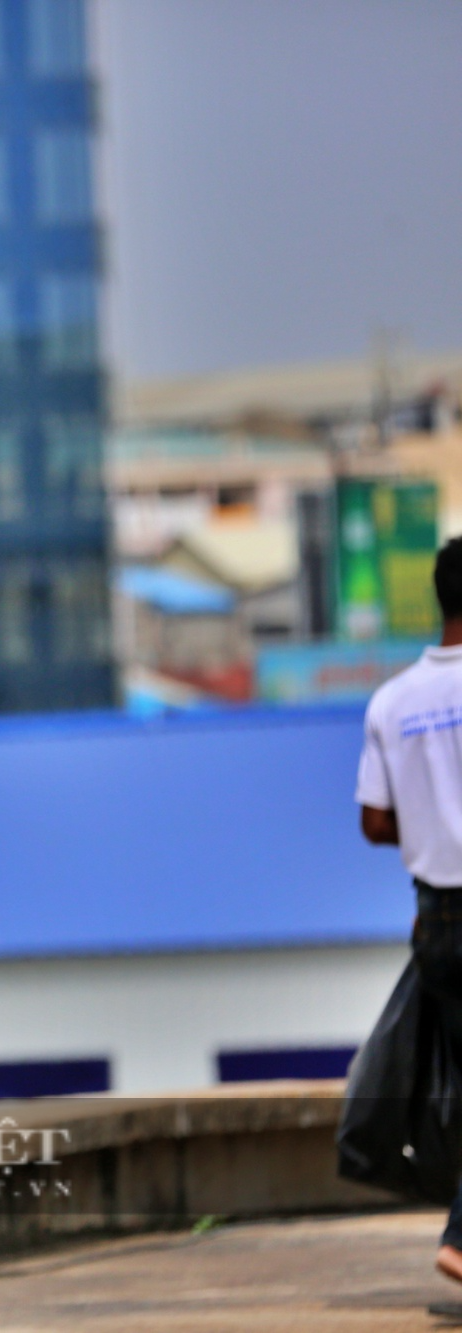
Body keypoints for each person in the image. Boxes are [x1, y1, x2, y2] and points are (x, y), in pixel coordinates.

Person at [357, 535, 462, 1288]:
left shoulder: (393, 700)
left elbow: (373, 820)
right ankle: (461, 1230)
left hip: (436, 924)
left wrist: (431, 821)